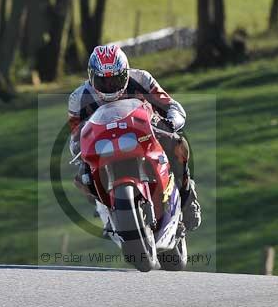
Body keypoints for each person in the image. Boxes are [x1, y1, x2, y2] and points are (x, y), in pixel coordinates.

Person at [68, 44, 201, 232]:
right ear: (91, 77)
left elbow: (172, 105)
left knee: (178, 144)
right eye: (103, 81)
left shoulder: (142, 79)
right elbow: (74, 137)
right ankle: (106, 209)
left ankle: (187, 197)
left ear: (126, 72)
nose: (110, 87)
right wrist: (80, 147)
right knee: (82, 176)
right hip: (105, 144)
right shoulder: (78, 98)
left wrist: (170, 122)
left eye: (116, 79)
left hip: (144, 133)